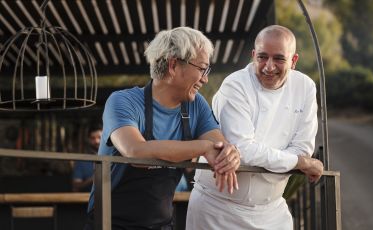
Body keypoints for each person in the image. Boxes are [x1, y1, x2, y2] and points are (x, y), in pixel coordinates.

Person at [85, 27, 241, 230]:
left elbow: (219, 146)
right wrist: (203, 147)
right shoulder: (122, 101)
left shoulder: (196, 105)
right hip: (109, 223)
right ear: (174, 65)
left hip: (161, 224)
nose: (205, 78)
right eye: (202, 68)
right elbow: (136, 152)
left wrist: (230, 153)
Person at [186, 25, 324, 230]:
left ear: (293, 61)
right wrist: (299, 162)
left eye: (279, 58)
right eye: (262, 57)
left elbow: (302, 146)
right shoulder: (235, 85)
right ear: (253, 56)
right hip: (217, 209)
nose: (269, 67)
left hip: (272, 210)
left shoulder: (305, 87)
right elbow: (244, 150)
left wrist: (295, 159)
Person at [72, 124, 102, 192]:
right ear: (88, 140)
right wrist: (93, 179)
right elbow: (76, 187)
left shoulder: (113, 157)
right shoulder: (81, 161)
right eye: (93, 138)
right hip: (88, 200)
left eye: (99, 137)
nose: (96, 141)